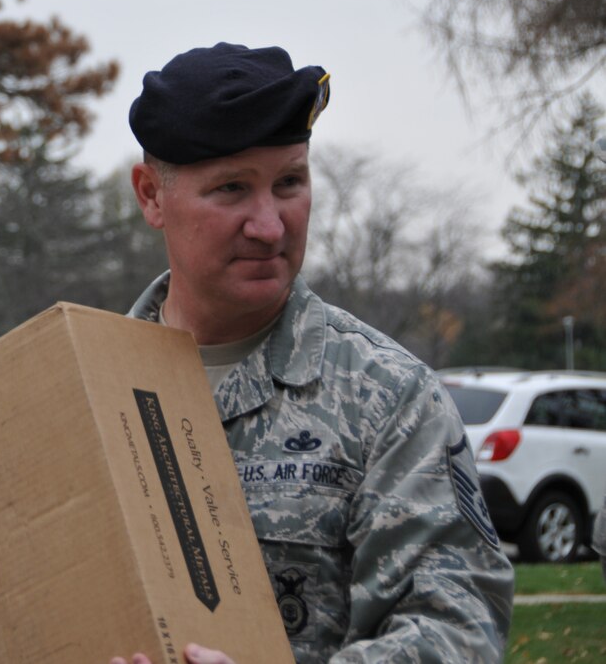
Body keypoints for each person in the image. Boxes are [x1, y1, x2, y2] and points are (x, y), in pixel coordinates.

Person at [111, 42, 514, 664]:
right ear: (151, 196)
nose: (270, 225)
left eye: (290, 183)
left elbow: (460, 631)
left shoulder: (387, 398)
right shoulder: (87, 387)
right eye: (231, 189)